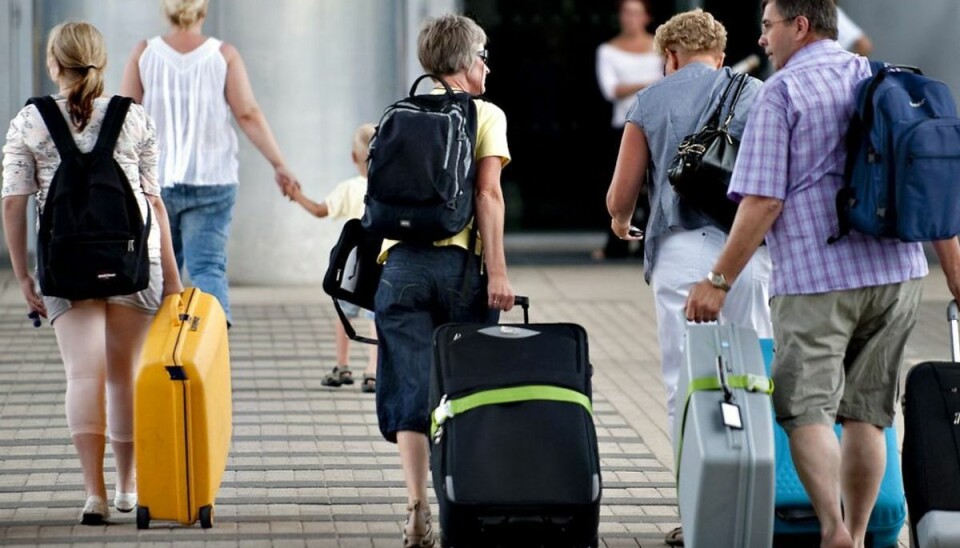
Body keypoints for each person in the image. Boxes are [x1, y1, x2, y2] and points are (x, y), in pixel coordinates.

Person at [684, 1, 960, 546]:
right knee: (868, 414)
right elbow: (929, 188)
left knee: (805, 408)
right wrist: (955, 275)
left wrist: (717, 281)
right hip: (897, 274)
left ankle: (834, 530)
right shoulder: (884, 78)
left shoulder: (780, 93)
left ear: (800, 26)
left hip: (816, 278)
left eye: (767, 26)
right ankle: (858, 533)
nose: (762, 39)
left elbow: (762, 202)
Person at [2, 21, 182, 524]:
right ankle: (129, 486)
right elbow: (154, 202)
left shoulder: (29, 122)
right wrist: (172, 277)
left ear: (53, 64)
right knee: (123, 377)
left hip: (65, 265)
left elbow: (14, 203)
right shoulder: (135, 118)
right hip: (133, 260)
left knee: (84, 374)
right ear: (102, 61)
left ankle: (94, 495)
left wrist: (22, 276)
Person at [605, 9, 772, 546]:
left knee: (686, 383)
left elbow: (620, 196)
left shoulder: (651, 100)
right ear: (720, 56)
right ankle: (761, 503)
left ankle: (699, 517)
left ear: (668, 57)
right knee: (754, 374)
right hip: (746, 254)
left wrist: (619, 221)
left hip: (679, 253)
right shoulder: (756, 93)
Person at [373, 14, 514, 547]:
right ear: (465, 62)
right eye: (482, 57)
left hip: (401, 266)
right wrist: (496, 270)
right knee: (467, 385)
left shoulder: (398, 111)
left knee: (409, 385)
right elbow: (487, 196)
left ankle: (416, 507)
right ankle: (464, 498)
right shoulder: (486, 113)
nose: (486, 66)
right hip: (460, 269)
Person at [119, 0, 299, 326]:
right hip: (213, 180)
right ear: (204, 11)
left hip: (154, 183)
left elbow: (125, 117)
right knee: (208, 268)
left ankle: (156, 354)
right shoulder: (223, 54)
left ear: (167, 10)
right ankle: (210, 354)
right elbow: (247, 113)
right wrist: (279, 164)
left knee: (156, 267)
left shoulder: (143, 53)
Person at [288, 123, 378, 393]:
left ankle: (342, 365)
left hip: (352, 263)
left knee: (344, 313)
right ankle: (373, 371)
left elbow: (319, 210)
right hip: (380, 262)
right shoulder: (387, 188)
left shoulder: (348, 188)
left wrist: (296, 195)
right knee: (377, 317)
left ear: (353, 157)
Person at [594, 0, 663, 260]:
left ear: (646, 16)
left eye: (636, 13)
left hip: (656, 125)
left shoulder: (659, 48)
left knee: (654, 186)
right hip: (623, 126)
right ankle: (617, 242)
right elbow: (610, 89)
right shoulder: (608, 50)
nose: (630, 18)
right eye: (626, 13)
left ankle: (648, 242)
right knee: (622, 184)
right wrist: (653, 83)